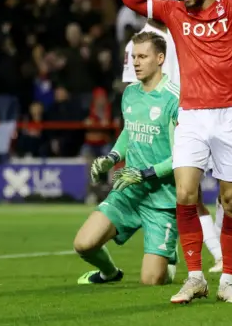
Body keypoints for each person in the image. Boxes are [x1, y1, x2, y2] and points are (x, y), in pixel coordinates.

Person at [122, 0, 232, 303]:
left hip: (230, 115)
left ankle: (227, 280)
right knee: (186, 194)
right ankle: (196, 277)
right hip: (192, 116)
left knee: (230, 202)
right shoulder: (173, 11)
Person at [122, 0, 223, 273]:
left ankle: (213, 255)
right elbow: (132, 89)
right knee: (173, 192)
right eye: (151, 0)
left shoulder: (182, 29)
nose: (156, 4)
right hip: (156, 124)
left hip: (190, 114)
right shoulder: (137, 45)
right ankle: (176, 253)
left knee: (190, 191)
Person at [73, 31, 180, 286]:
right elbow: (129, 132)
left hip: (162, 199)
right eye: (134, 56)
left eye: (143, 56)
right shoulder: (130, 94)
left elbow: (180, 157)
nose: (136, 62)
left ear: (160, 58)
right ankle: (110, 273)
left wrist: (144, 173)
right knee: (83, 244)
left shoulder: (175, 99)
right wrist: (111, 157)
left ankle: (168, 256)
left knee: (152, 280)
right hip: (128, 191)